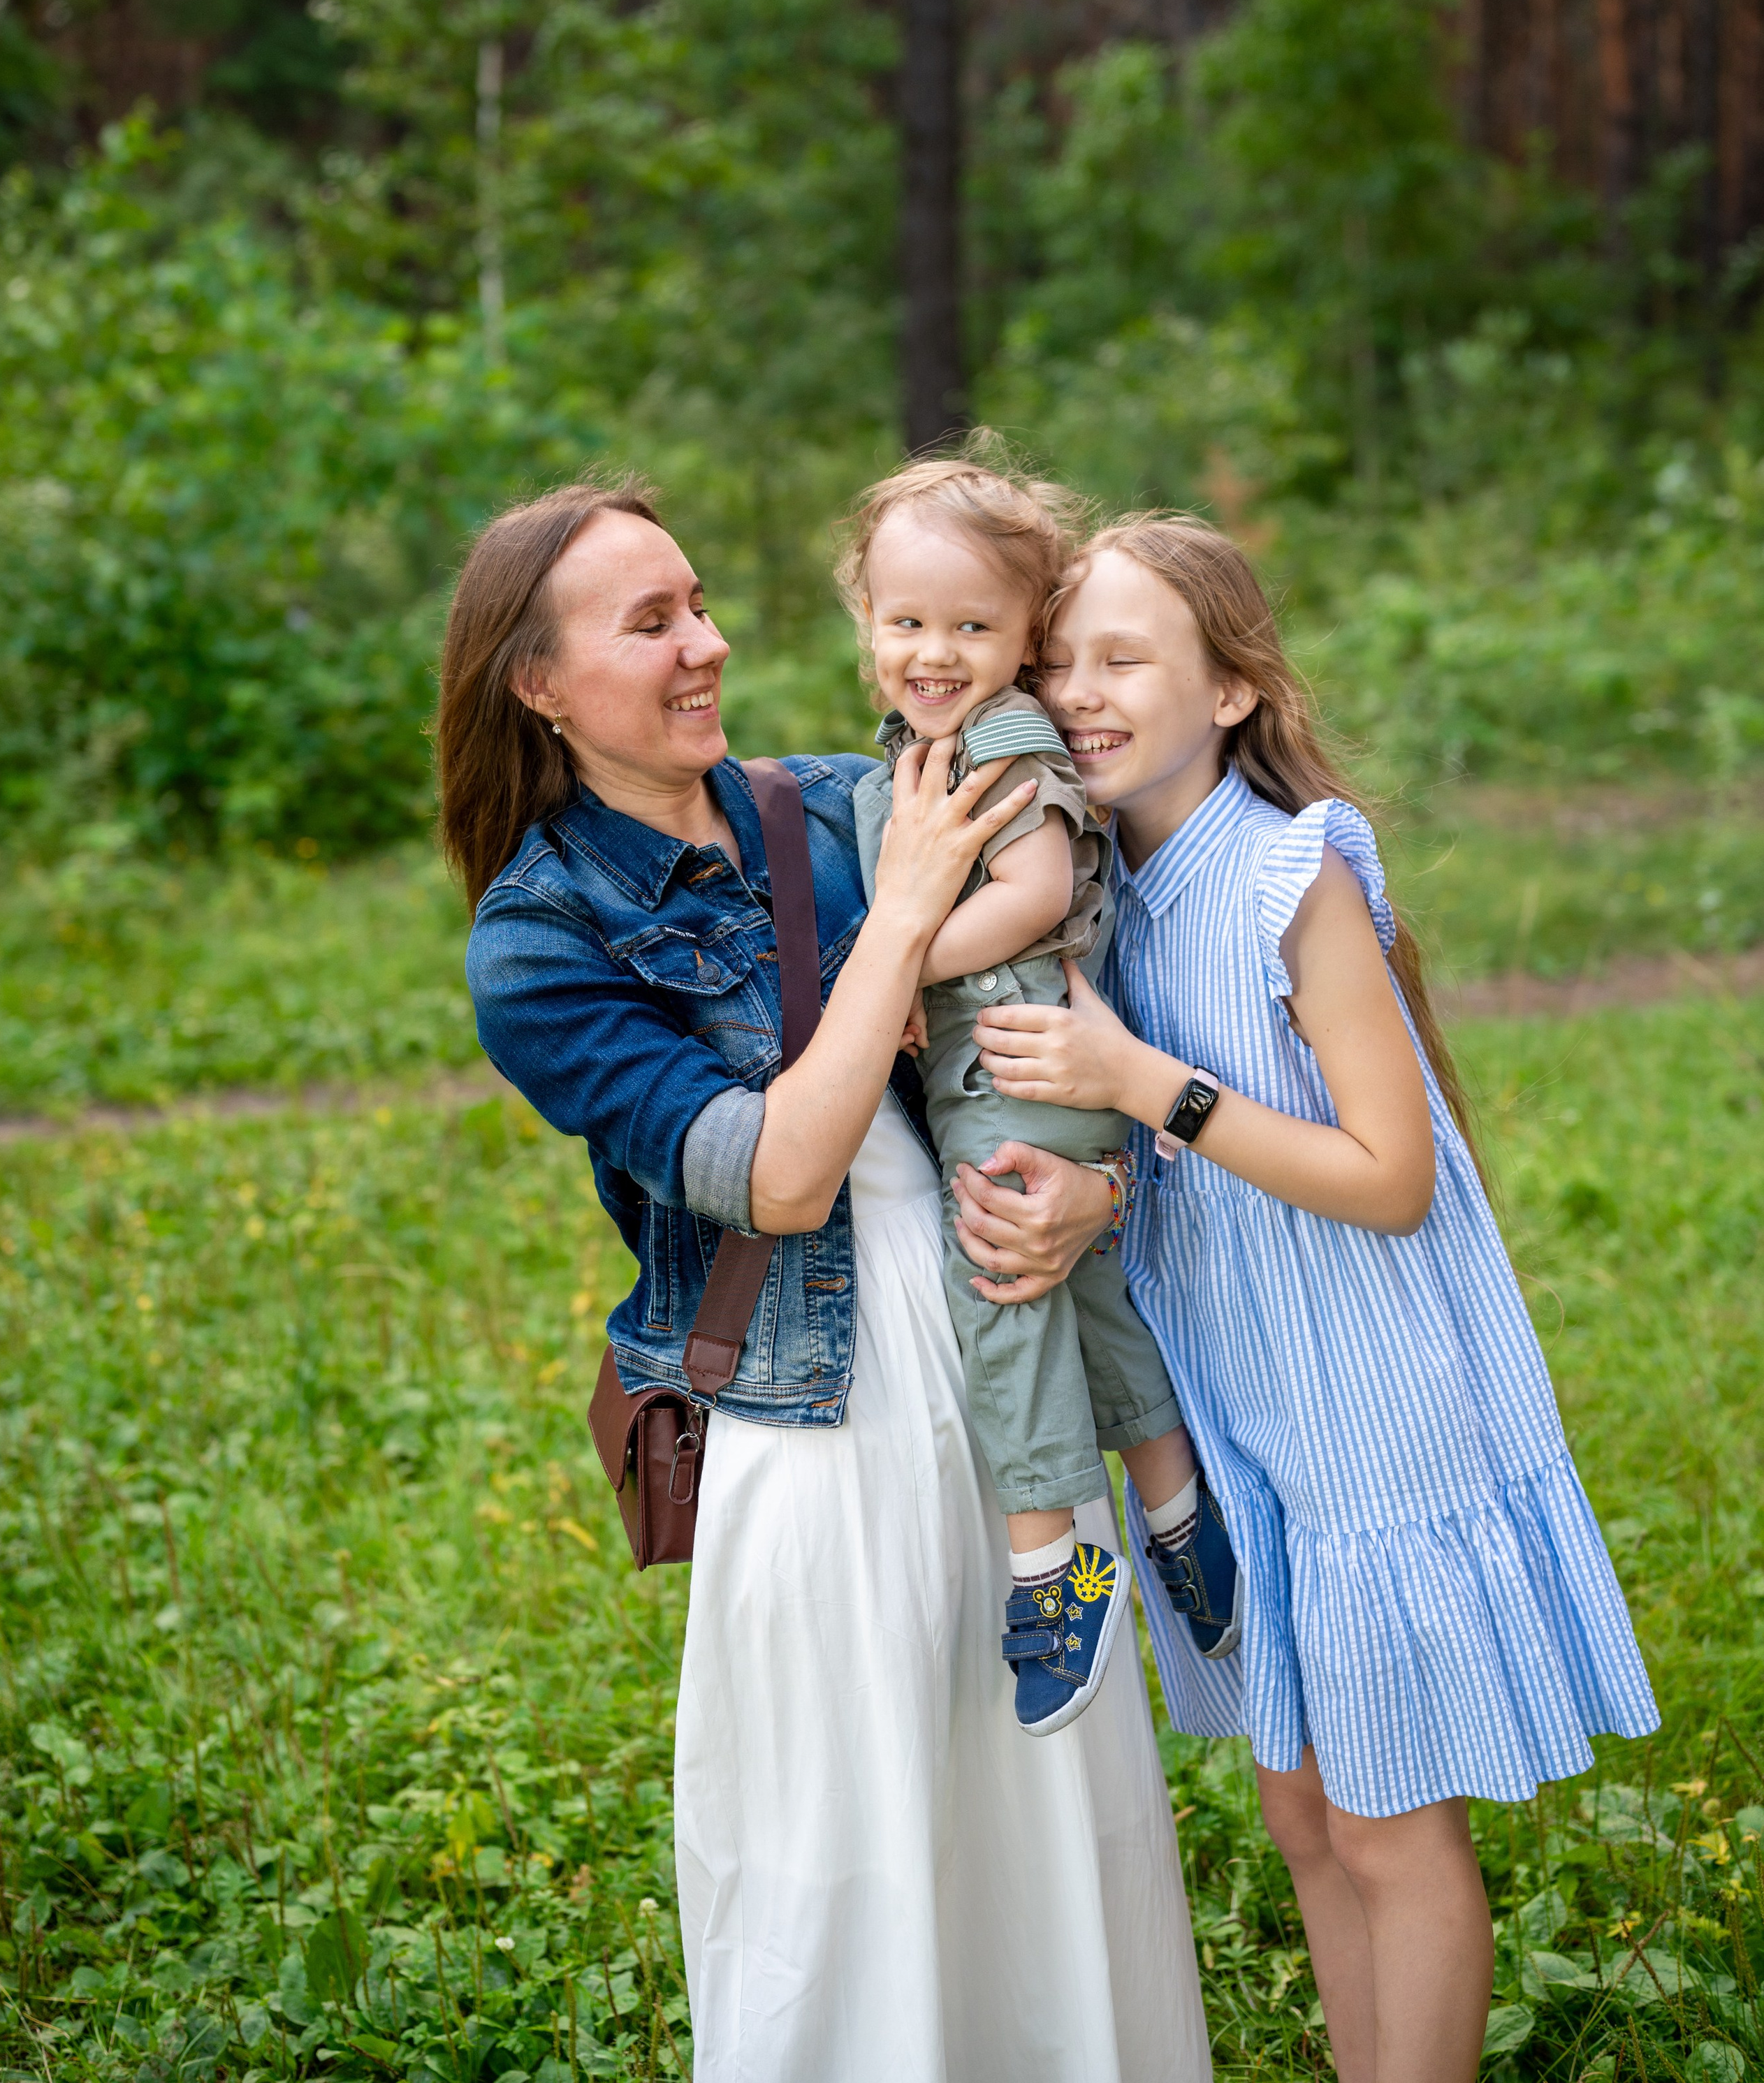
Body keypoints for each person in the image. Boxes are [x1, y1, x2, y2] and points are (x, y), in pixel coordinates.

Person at [440, 480, 1211, 2083]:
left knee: (1046, 1840)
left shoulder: (847, 805)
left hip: (1002, 1364)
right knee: (839, 1863)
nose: (705, 644)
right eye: (649, 622)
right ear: (535, 681)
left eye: (700, 600)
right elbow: (783, 1173)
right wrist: (911, 909)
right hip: (810, 1421)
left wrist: (1097, 1185)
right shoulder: (540, 939)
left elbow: (1065, 994)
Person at [962, 513, 1658, 2083]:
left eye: (1123, 657)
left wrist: (1145, 1085)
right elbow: (1166, 1151)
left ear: (1226, 689)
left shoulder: (1291, 872)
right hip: (1234, 1395)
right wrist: (1102, 1178)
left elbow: (1386, 1174)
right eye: (1057, 659)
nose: (1076, 690)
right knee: (1296, 1806)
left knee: (1383, 1811)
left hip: (1367, 1396)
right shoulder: (1093, 891)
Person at [840, 457, 1238, 1734]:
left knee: (1001, 1285)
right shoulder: (920, 745)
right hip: (1010, 1064)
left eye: (973, 626)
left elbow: (1038, 896)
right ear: (866, 621)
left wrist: (894, 960)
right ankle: (1179, 1515)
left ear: (1026, 633)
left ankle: (1053, 1560)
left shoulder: (1003, 734)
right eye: (906, 622)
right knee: (1086, 1285)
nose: (935, 651)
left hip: (1022, 1059)